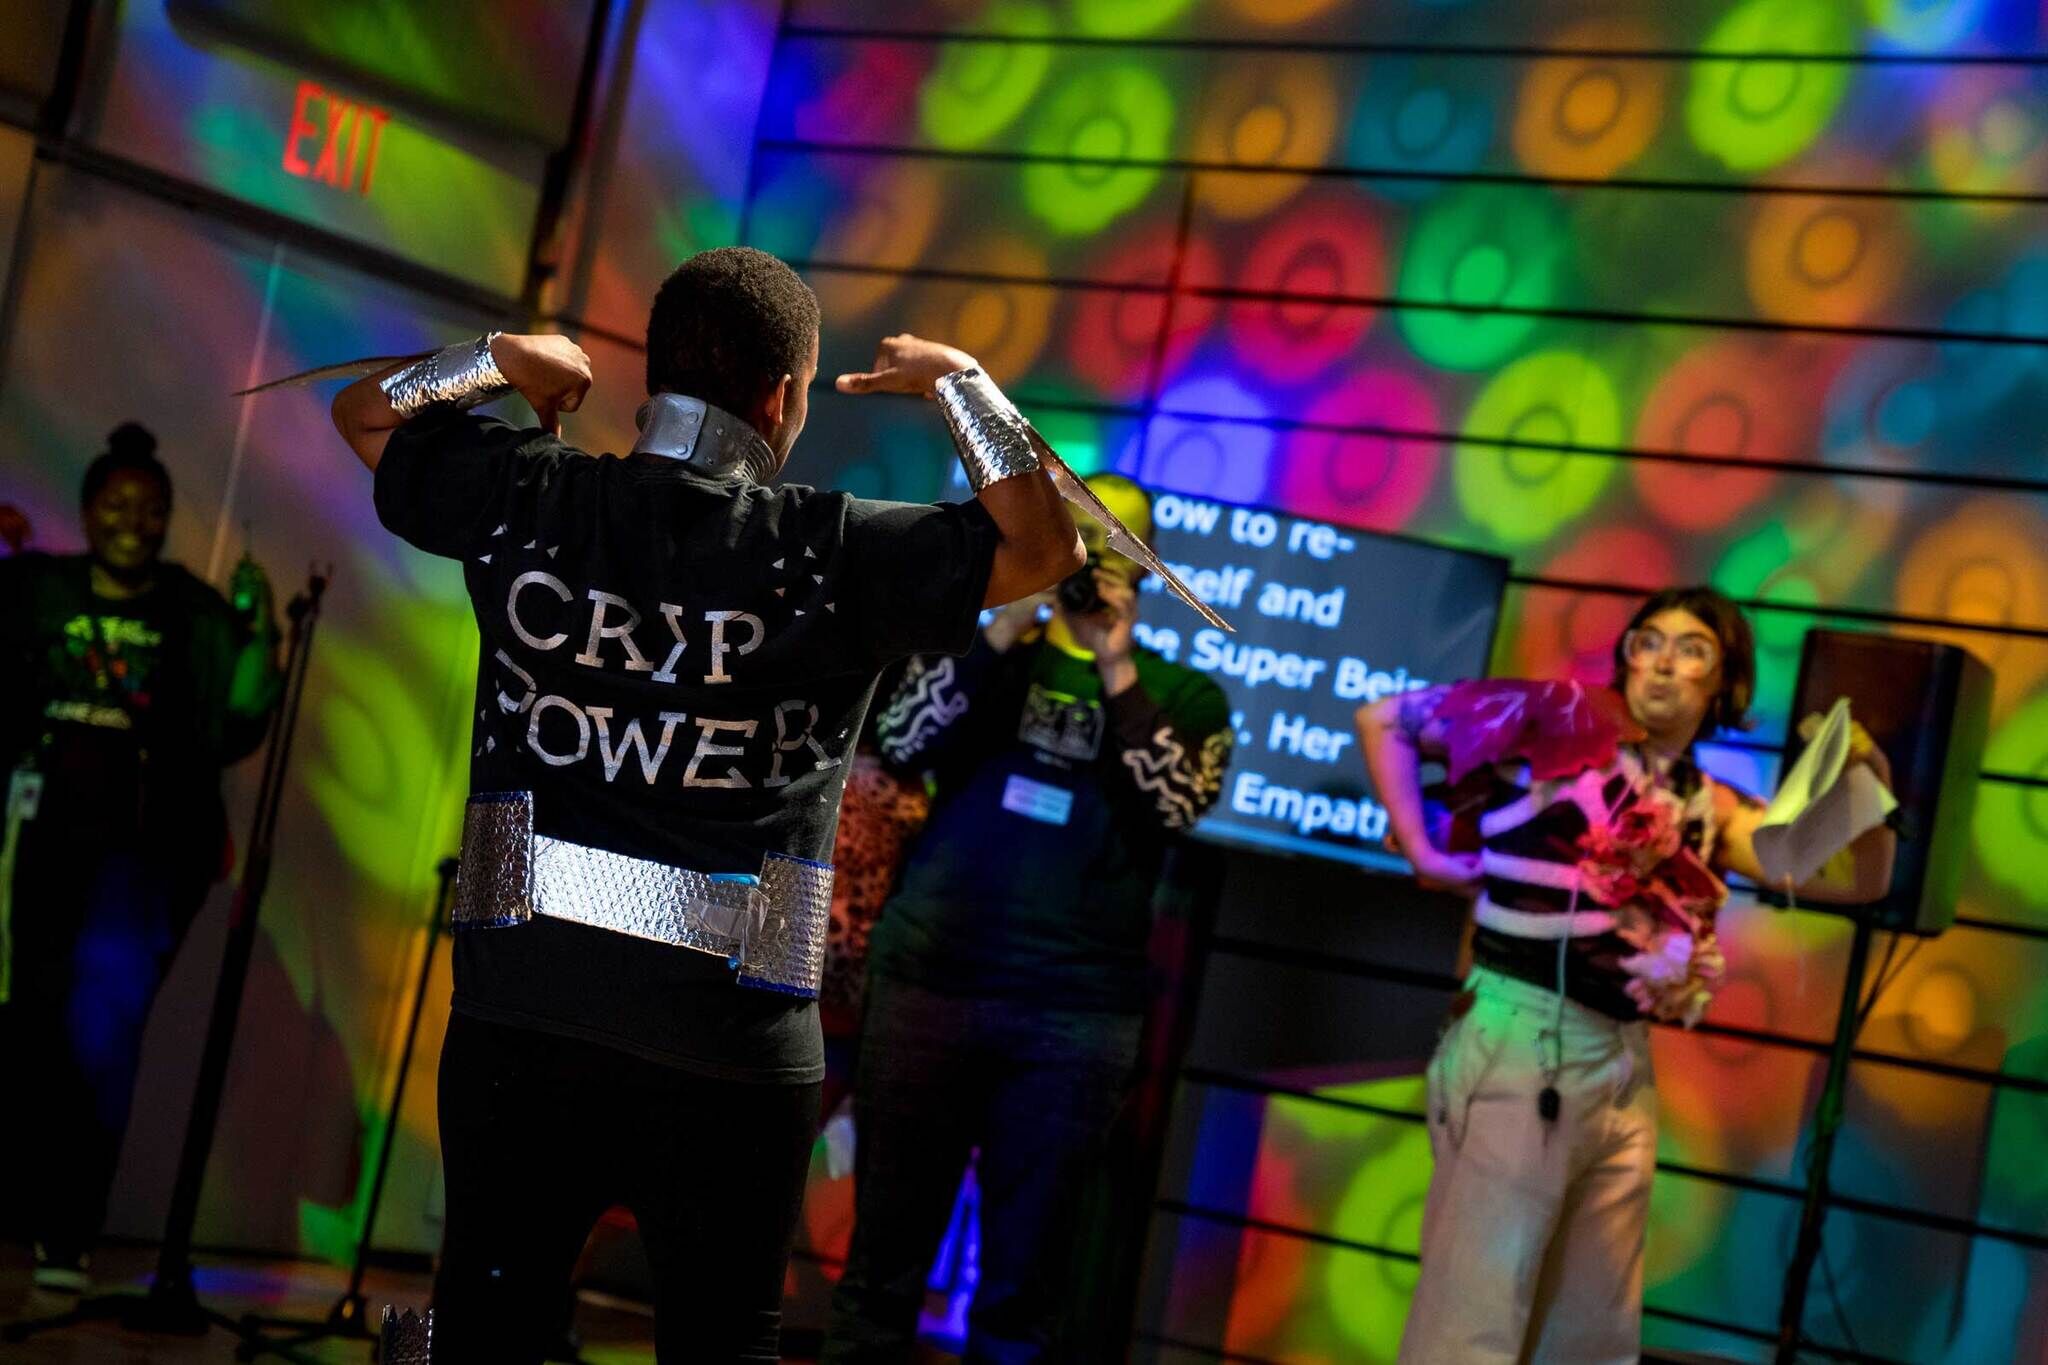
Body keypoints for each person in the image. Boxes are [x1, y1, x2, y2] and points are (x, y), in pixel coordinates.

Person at [327, 245, 1083, 1363]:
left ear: (658, 369)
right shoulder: (831, 551)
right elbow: (1046, 545)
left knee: (486, 1333)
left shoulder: (539, 497)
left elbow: (368, 420)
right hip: (729, 1057)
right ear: (782, 400)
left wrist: (490, 362)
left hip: (521, 1019)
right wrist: (958, 379)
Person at [1356, 586, 1897, 1365]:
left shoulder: (1704, 801)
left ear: (1725, 684)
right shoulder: (1553, 718)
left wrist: (1869, 776)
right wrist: (1425, 851)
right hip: (1520, 1036)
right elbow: (1386, 719)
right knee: (1471, 1325)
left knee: (1589, 1332)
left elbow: (1854, 879)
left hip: (1620, 1063)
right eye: (1649, 640)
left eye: (1693, 648)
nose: (1665, 660)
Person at [823, 474, 1233, 1364]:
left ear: (1145, 566)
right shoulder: (988, 655)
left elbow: (1176, 805)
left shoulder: (1186, 696)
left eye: (1111, 543)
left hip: (1074, 1018)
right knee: (881, 1268)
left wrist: (1113, 658)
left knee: (1024, 1293)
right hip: (931, 984)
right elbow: (900, 734)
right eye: (1075, 533)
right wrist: (1016, 610)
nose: (1092, 556)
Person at [0, 424, 280, 1291]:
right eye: (118, 505)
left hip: (141, 859)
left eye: (151, 509)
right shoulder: (37, 590)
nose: (134, 522)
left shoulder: (190, 614)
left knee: (102, 1032)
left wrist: (259, 631)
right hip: (41, 844)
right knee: (30, 1021)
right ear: (89, 511)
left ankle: (66, 1229)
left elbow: (238, 721)